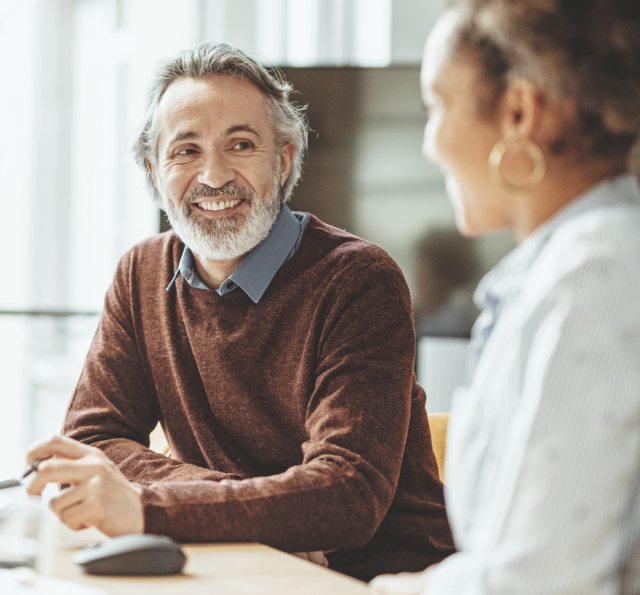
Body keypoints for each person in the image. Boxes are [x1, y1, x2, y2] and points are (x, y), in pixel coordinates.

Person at [24, 42, 455, 581]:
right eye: (185, 151)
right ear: (155, 172)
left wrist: (152, 508)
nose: (213, 176)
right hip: (225, 563)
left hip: (372, 579)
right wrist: (260, 522)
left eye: (241, 144)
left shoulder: (359, 279)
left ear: (284, 160)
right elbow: (92, 440)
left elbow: (348, 493)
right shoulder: (141, 273)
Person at [370, 0, 640, 593]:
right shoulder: (570, 269)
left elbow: (540, 579)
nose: (428, 143)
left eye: (436, 105)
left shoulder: (592, 280)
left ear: (519, 112)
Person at [413, 228, 479, 339]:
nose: (418, 286)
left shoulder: (452, 325)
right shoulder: (419, 316)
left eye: (425, 281)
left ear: (445, 282)